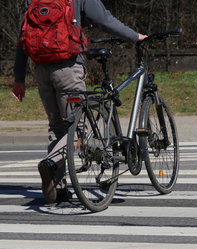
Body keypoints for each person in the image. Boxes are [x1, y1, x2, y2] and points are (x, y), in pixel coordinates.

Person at [12, 0, 146, 203]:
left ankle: (57, 188)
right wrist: (134, 36)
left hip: (41, 69)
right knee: (78, 129)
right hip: (68, 69)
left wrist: (19, 78)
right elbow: (104, 19)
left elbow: (23, 38)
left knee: (57, 128)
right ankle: (50, 163)